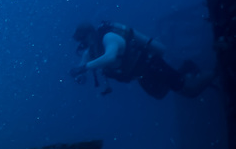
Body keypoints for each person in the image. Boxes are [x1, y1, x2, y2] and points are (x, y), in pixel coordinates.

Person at [69, 21, 214, 99]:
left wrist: (85, 67)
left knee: (190, 90)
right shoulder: (91, 52)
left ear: (91, 34)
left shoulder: (109, 38)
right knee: (160, 93)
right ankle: (187, 69)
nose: (83, 43)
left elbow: (110, 56)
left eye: (83, 38)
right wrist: (79, 76)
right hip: (141, 75)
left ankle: (218, 69)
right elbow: (82, 68)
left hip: (151, 64)